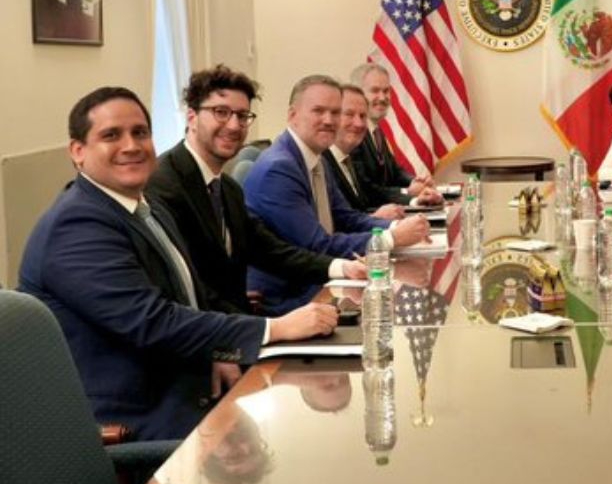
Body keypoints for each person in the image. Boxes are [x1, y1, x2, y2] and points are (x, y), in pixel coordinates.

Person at [19, 87, 338, 440]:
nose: (131, 145)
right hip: (136, 420)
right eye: (111, 135)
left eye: (140, 132)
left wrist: (218, 353)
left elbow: (188, 295)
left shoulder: (145, 207)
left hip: (189, 382)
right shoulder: (77, 225)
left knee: (312, 419)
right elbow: (153, 322)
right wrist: (273, 329)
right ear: (78, 151)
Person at [147, 66, 368, 317]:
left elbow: (269, 249)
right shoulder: (163, 185)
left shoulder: (227, 188)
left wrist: (341, 268)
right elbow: (187, 289)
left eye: (242, 116)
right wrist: (271, 327)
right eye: (221, 112)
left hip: (236, 318)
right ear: (191, 117)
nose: (234, 125)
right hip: (213, 329)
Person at [243, 75, 430, 313]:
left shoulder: (317, 158)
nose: (329, 120)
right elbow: (317, 245)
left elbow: (346, 217)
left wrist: (396, 227)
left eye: (335, 112)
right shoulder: (279, 168)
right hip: (286, 300)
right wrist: (390, 239)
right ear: (292, 115)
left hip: (321, 284)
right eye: (318, 111)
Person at [323, 84, 437, 216]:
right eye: (349, 114)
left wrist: (416, 201)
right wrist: (376, 218)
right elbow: (333, 221)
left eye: (363, 116)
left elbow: (369, 196)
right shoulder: (321, 163)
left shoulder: (348, 157)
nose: (359, 123)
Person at [348, 63, 435, 199]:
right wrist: (408, 193)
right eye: (375, 91)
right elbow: (366, 190)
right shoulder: (353, 134)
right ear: (358, 94)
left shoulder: (376, 131)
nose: (383, 98)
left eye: (386, 91)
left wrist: (416, 182)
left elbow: (395, 172)